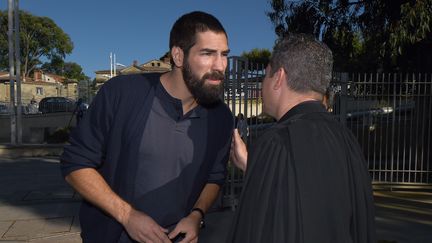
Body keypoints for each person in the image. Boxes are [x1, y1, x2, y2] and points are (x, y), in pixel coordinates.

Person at [60, 11, 233, 243]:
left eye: (224, 55)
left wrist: (196, 216)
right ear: (179, 56)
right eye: (208, 53)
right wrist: (127, 216)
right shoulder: (122, 93)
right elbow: (75, 164)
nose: (220, 65)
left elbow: (215, 176)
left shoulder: (221, 117)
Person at [228, 34, 376, 243]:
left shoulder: (276, 141)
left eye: (266, 75)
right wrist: (252, 166)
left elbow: (258, 229)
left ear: (278, 78)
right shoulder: (347, 139)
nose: (262, 85)